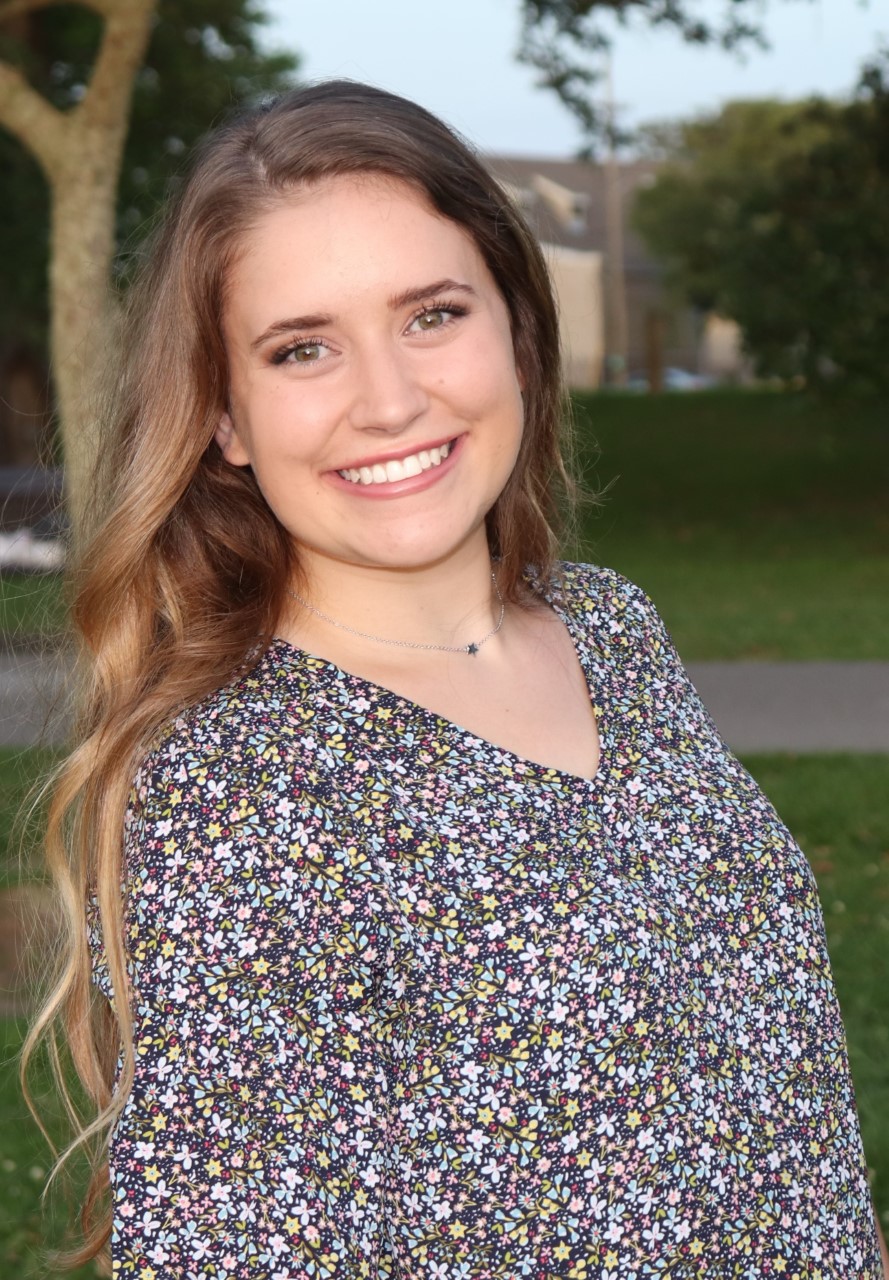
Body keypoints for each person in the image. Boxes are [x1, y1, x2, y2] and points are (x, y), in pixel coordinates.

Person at [28, 81, 883, 1278]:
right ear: (223, 415)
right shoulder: (236, 794)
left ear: (517, 328)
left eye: (431, 315)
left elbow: (769, 1106)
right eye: (302, 348)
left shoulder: (612, 630)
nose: (388, 399)